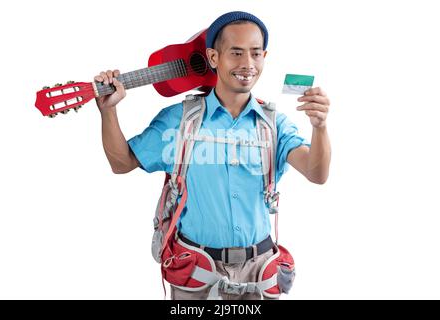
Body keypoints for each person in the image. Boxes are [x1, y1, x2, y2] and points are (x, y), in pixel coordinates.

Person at [94, 11, 331, 300]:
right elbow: (122, 163)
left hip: (259, 274)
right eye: (236, 53)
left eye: (256, 54)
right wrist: (109, 111)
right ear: (214, 57)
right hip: (196, 274)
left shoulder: (275, 125)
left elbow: (317, 174)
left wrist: (320, 127)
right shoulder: (179, 122)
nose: (247, 64)